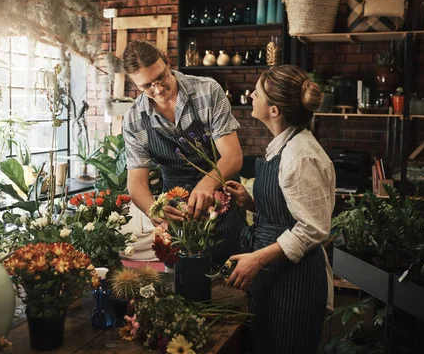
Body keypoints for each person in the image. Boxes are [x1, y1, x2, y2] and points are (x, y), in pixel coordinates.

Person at [225, 65, 335, 354]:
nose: (250, 95)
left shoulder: (302, 156)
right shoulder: (285, 146)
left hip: (294, 284)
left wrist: (258, 259)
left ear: (274, 111)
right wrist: (251, 201)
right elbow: (288, 208)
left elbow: (313, 229)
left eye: (257, 92)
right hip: (273, 275)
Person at [121, 40, 246, 265]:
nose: (157, 89)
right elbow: (136, 182)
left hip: (223, 200)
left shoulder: (207, 91)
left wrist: (207, 185)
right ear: (134, 84)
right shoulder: (134, 119)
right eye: (147, 86)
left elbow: (233, 157)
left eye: (161, 77)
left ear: (167, 62)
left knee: (229, 276)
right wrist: (153, 209)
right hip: (177, 211)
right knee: (183, 279)